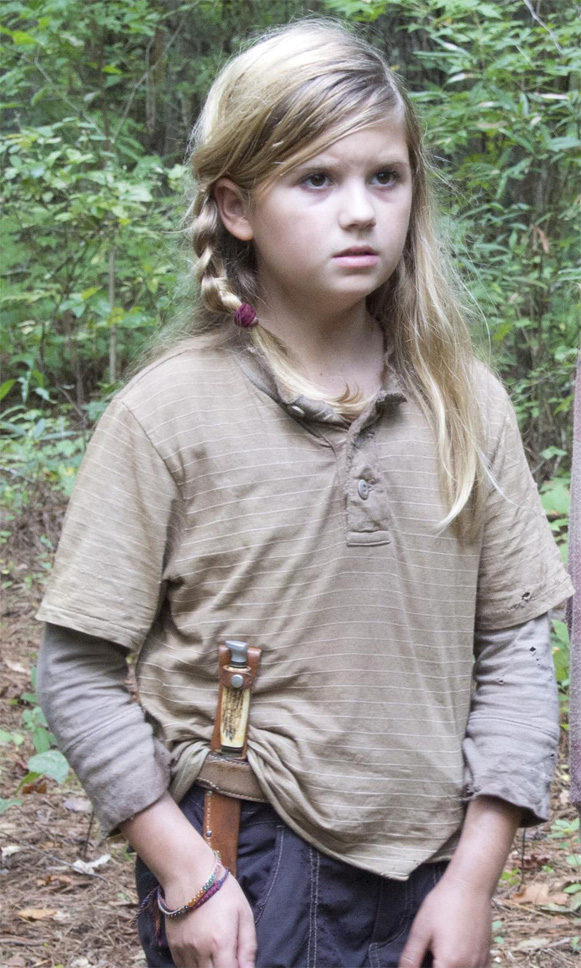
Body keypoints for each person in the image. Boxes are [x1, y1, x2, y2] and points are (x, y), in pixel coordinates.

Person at [36, 19, 573, 968]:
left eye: (385, 177)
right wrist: (187, 874)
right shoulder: (170, 413)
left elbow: (515, 648)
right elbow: (77, 669)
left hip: (432, 863)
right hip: (245, 860)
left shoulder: (465, 403)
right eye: (315, 180)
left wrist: (473, 880)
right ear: (236, 206)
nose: (360, 212)